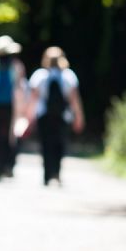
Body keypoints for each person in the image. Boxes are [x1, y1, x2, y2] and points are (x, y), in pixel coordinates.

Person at [27, 46, 85, 186]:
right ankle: (56, 174)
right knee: (59, 145)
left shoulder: (39, 75)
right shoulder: (69, 75)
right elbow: (74, 99)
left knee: (45, 145)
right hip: (63, 116)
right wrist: (79, 117)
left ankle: (47, 175)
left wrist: (28, 117)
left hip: (43, 116)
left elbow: (33, 98)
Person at [0, 35, 27, 181]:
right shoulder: (17, 66)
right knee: (11, 138)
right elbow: (20, 88)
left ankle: (0, 168)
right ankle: (7, 166)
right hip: (11, 106)